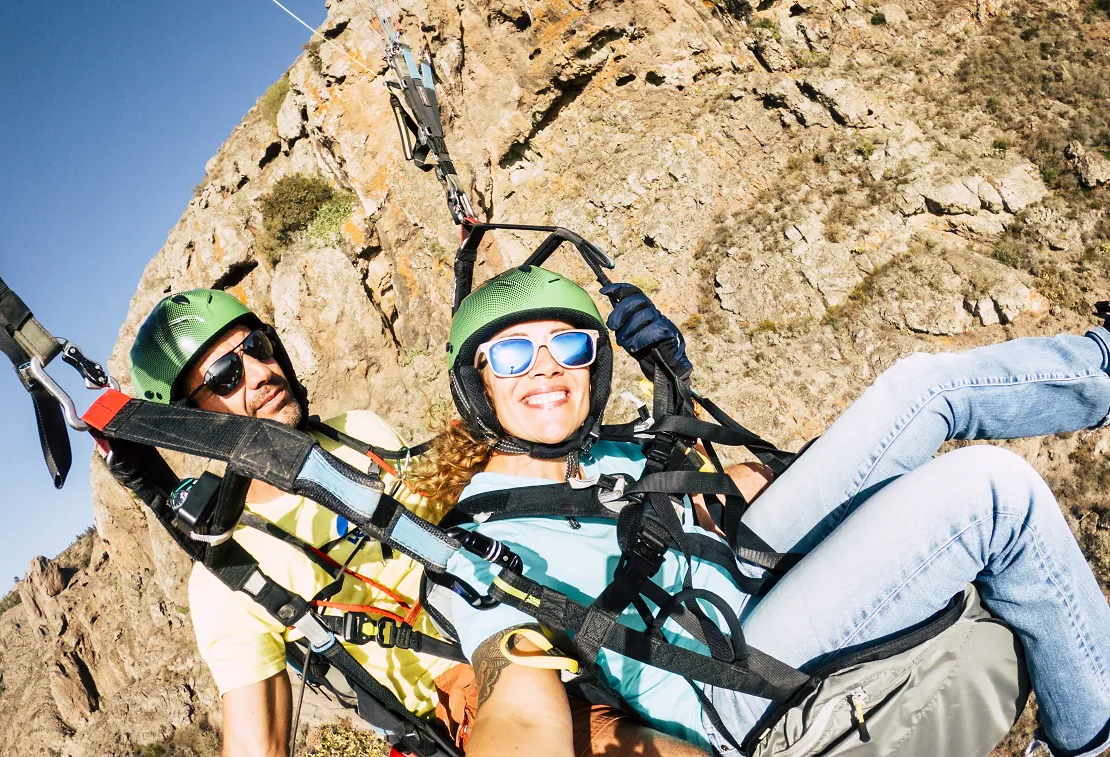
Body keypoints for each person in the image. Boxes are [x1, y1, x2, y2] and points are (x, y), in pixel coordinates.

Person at [412, 264, 1110, 757]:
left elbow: (727, 492)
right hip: (731, 680)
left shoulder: (613, 457)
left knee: (920, 388)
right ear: (477, 386)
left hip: (748, 569)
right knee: (991, 491)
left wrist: (675, 383)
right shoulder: (473, 548)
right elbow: (520, 713)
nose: (545, 368)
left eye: (569, 345)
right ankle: (1091, 738)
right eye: (511, 354)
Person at [117, 288, 685, 757]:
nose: (260, 372)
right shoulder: (230, 564)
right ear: (191, 420)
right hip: (468, 684)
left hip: (534, 592)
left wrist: (663, 389)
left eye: (258, 347)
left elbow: (452, 488)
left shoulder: (359, 431)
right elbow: (254, 741)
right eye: (224, 375)